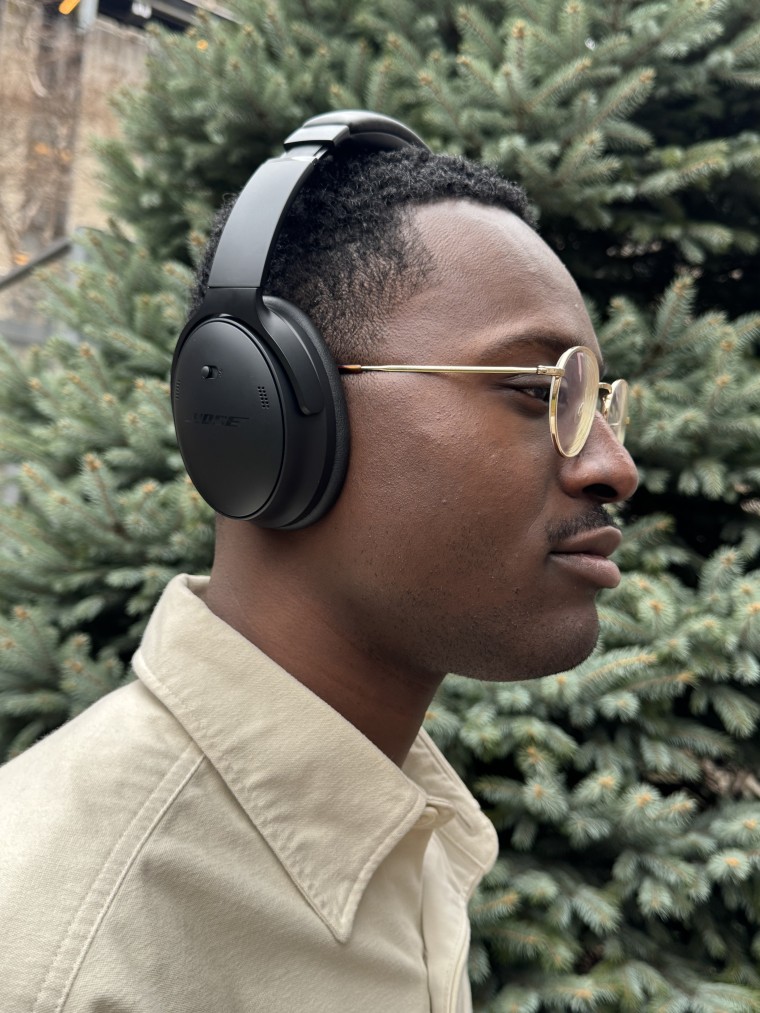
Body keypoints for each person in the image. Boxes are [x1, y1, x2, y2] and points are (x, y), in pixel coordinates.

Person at [0, 113, 638, 1013]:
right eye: (539, 392)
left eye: (598, 398)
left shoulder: (404, 827)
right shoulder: (70, 956)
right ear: (268, 414)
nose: (613, 464)